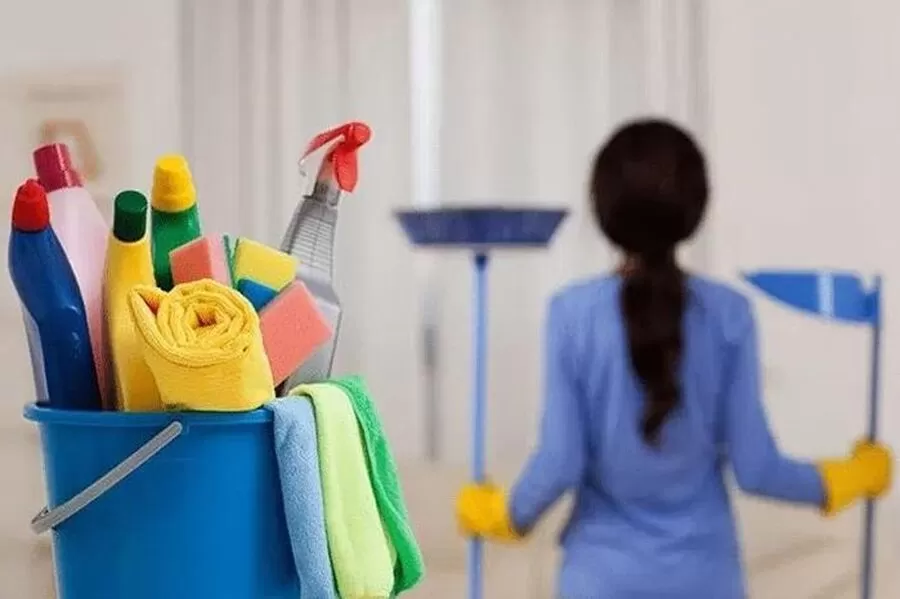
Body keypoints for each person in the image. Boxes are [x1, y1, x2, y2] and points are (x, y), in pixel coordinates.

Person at [455, 118, 893, 599]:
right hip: (704, 581)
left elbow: (560, 462)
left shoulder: (571, 315)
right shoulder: (730, 314)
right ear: (696, 206)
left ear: (602, 209)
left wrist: (507, 516)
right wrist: (844, 479)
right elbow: (756, 468)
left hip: (600, 581)